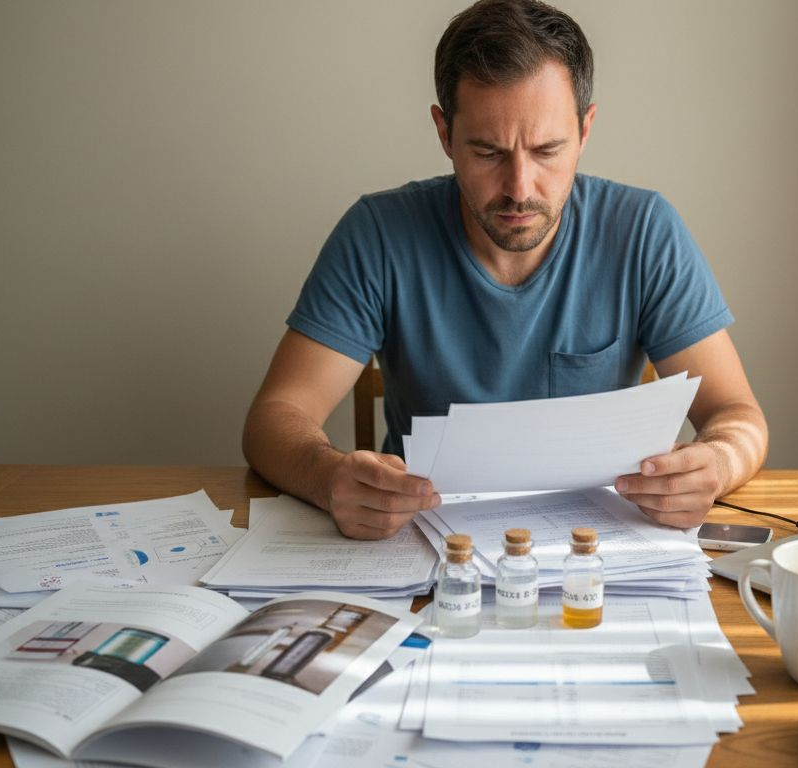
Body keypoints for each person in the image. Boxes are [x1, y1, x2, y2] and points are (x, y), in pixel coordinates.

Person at [243, 0, 768, 540]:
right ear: (444, 134)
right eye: (488, 152)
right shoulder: (378, 233)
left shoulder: (643, 232)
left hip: (594, 548)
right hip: (422, 544)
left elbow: (737, 414)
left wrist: (719, 462)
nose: (520, 187)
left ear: (585, 129)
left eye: (547, 150)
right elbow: (274, 419)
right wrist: (329, 476)